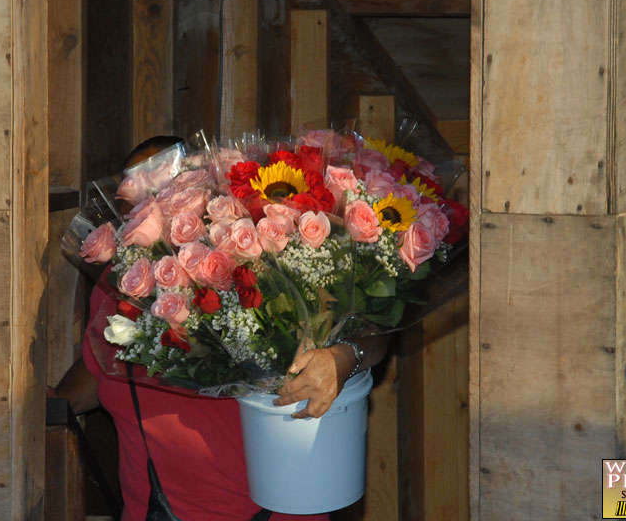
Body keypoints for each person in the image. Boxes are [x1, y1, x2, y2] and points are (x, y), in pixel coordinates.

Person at [50, 136, 391, 521]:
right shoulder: (124, 284)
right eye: (138, 190)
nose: (156, 198)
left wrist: (344, 357)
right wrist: (53, 400)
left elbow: (374, 334)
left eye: (167, 182)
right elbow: (100, 366)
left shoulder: (254, 262)